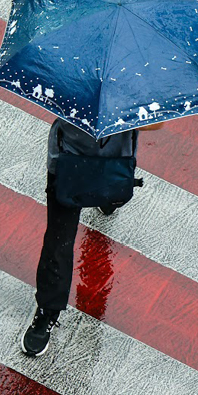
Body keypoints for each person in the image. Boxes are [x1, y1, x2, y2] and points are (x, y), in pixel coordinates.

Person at [22, 118, 164, 357]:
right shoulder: (73, 92)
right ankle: (48, 310)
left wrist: (119, 118)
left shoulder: (131, 93)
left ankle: (107, 200)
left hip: (113, 161)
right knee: (59, 240)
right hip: (68, 161)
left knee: (108, 195)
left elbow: (156, 123)